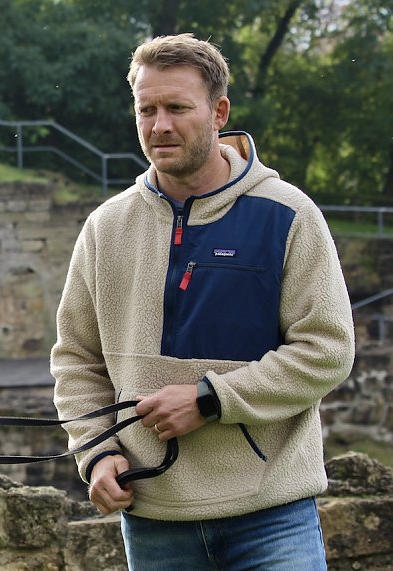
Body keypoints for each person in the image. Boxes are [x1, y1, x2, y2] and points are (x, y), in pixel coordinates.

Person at [50, 33, 355, 570]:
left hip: (272, 514)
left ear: (219, 111)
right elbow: (77, 360)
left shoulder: (288, 214)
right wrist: (96, 452)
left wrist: (210, 399)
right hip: (153, 518)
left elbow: (327, 349)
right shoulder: (105, 228)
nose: (159, 124)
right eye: (146, 109)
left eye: (176, 107)